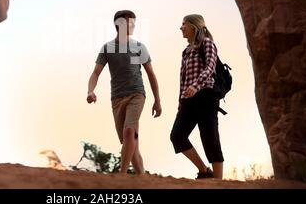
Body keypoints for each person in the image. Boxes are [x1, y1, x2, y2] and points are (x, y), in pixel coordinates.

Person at [86, 10, 162, 174]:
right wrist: (90, 91)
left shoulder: (139, 47)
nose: (133, 25)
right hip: (117, 99)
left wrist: (157, 100)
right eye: (129, 22)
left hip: (137, 94)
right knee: (130, 142)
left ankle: (122, 175)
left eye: (134, 22)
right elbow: (95, 73)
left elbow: (151, 74)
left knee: (129, 131)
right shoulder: (107, 48)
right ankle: (142, 178)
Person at [170, 14, 224, 179]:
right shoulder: (185, 51)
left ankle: (218, 182)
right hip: (188, 99)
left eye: (183, 24)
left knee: (210, 138)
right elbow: (183, 77)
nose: (181, 28)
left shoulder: (207, 43)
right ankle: (204, 171)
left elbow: (210, 68)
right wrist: (181, 100)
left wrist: (196, 85)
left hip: (206, 96)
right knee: (177, 136)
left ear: (193, 26)